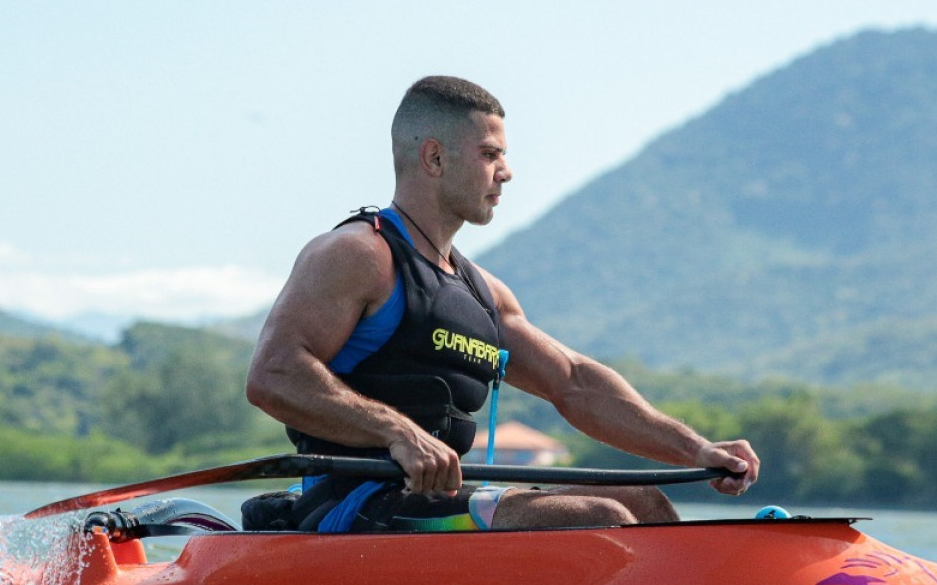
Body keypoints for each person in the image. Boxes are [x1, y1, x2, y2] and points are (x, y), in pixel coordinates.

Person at [244, 75, 760, 532]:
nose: (506, 171)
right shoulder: (358, 255)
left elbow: (573, 382)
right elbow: (273, 374)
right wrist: (397, 432)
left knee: (642, 503)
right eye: (490, 154)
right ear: (434, 158)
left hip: (435, 500)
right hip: (351, 507)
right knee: (598, 517)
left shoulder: (483, 292)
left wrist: (695, 449)